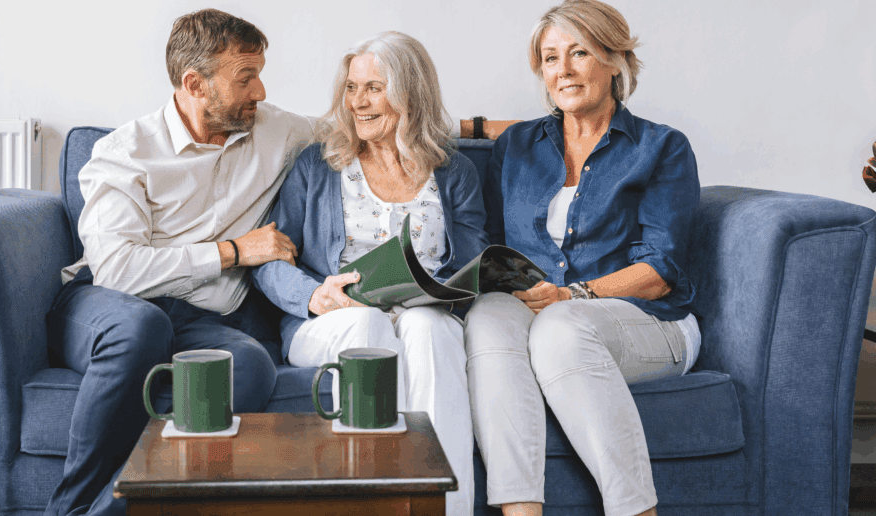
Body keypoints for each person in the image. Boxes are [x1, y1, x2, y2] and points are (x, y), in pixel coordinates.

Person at [45, 9, 317, 516]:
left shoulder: (276, 130)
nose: (260, 91)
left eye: (259, 73)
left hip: (201, 321)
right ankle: (68, 507)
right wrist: (233, 252)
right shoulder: (125, 153)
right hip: (107, 306)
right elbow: (118, 271)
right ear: (195, 83)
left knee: (251, 367)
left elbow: (360, 126)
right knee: (141, 328)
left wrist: (476, 127)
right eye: (245, 78)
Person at [464, 1, 701, 516]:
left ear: (615, 60)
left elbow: (659, 274)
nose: (563, 70)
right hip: (544, 310)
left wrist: (573, 295)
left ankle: (635, 510)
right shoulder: (519, 145)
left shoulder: (662, 148)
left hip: (647, 322)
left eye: (579, 53)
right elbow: (493, 242)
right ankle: (520, 510)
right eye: (550, 59)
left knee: (561, 327)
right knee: (486, 317)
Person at [251, 31, 488, 516]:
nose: (358, 102)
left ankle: (449, 508)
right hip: (331, 320)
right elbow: (269, 259)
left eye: (374, 88)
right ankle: (368, 503)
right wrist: (316, 295)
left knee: (429, 328)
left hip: (422, 314)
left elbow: (471, 266)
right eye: (352, 88)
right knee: (368, 324)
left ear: (410, 92)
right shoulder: (317, 167)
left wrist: (447, 292)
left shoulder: (455, 171)